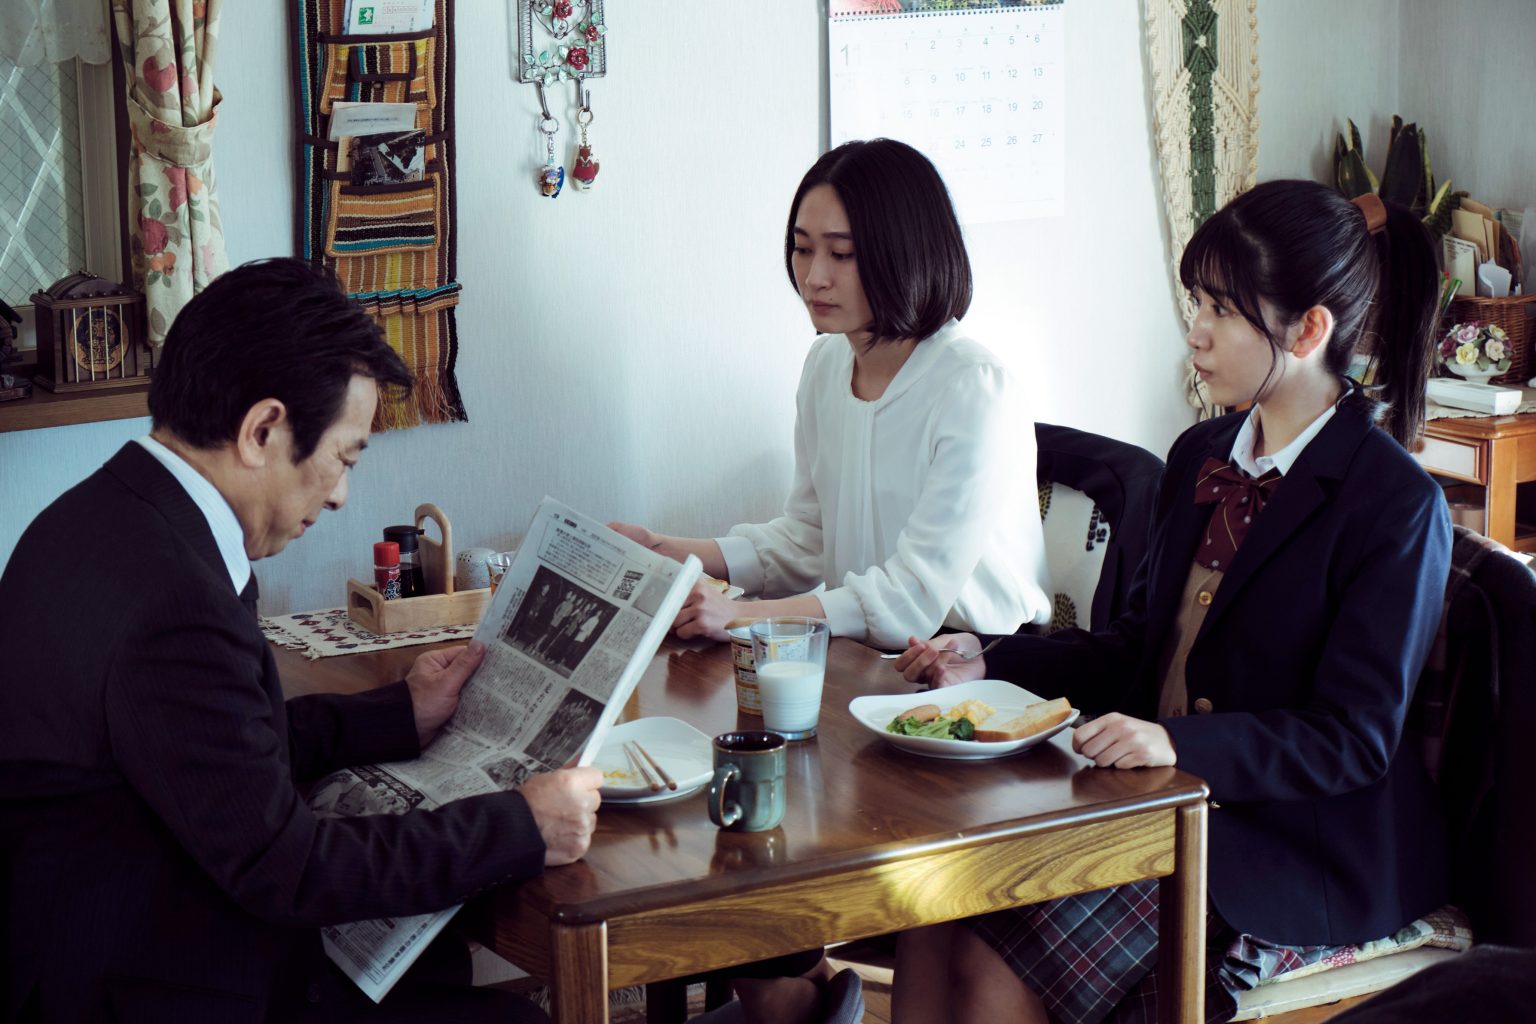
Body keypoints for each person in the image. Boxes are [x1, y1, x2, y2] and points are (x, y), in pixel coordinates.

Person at [891, 181, 1452, 1024]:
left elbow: (1353, 738)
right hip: (1161, 805)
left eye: (1222, 309)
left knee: (990, 967)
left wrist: (1175, 740)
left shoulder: (1396, 504)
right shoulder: (1200, 454)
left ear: (1307, 331)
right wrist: (992, 657)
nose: (1195, 330)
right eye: (1198, 302)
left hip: (1293, 846)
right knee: (935, 909)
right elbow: (1133, 648)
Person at [0, 258, 603, 1023]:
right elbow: (288, 869)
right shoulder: (176, 600)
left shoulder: (91, 518)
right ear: (262, 431)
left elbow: (212, 750)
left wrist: (400, 712)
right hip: (145, 982)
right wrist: (522, 825)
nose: (343, 494)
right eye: (344, 457)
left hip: (100, 942)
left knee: (439, 971)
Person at [613, 138, 1051, 650]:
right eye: (803, 249)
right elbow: (807, 539)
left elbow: (909, 598)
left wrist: (739, 616)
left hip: (980, 661)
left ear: (906, 255)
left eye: (842, 254)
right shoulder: (826, 365)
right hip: (868, 653)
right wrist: (665, 550)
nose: (814, 277)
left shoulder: (974, 388)